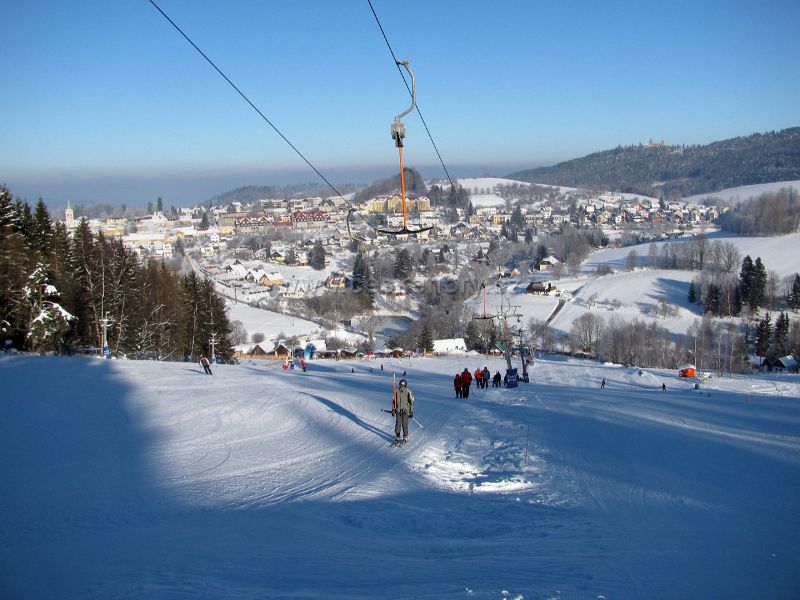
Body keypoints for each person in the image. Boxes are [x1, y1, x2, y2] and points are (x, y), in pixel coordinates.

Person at [393, 378, 415, 445]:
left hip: (405, 411)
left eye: (403, 385)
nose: (402, 386)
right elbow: (394, 401)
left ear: (405, 385)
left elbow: (412, 402)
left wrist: (411, 411)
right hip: (398, 411)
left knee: (404, 424)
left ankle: (405, 436)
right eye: (401, 385)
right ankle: (397, 436)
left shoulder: (408, 392)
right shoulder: (396, 391)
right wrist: (393, 409)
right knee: (398, 424)